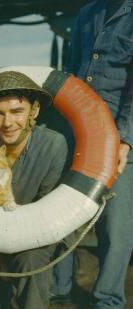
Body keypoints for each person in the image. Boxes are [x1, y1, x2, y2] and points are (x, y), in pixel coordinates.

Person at [0, 70, 71, 309]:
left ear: (34, 111)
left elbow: (48, 209)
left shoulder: (53, 145)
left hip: (34, 240)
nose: (8, 123)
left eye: (17, 111)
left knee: (30, 261)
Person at [51, 0, 133, 308]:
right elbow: (72, 71)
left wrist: (126, 141)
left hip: (118, 137)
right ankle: (58, 291)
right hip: (76, 133)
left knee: (117, 227)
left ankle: (108, 299)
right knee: (64, 215)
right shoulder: (87, 13)